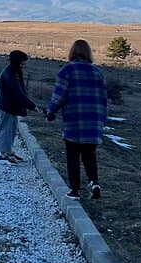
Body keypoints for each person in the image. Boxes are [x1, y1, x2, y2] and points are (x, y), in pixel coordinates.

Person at [45, 39, 108, 199]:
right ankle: (94, 183)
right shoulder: (97, 72)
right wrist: (102, 119)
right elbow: (103, 98)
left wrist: (50, 112)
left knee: (72, 155)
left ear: (72, 52)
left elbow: (59, 96)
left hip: (74, 120)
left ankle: (74, 190)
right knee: (89, 154)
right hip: (94, 121)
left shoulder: (67, 71)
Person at [0, 49, 37, 163]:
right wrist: (32, 106)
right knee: (6, 130)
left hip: (11, 106)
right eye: (23, 63)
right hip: (6, 106)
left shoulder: (15, 72)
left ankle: (9, 151)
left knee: (12, 130)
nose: (24, 66)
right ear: (17, 62)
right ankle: (4, 154)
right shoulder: (9, 74)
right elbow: (17, 93)